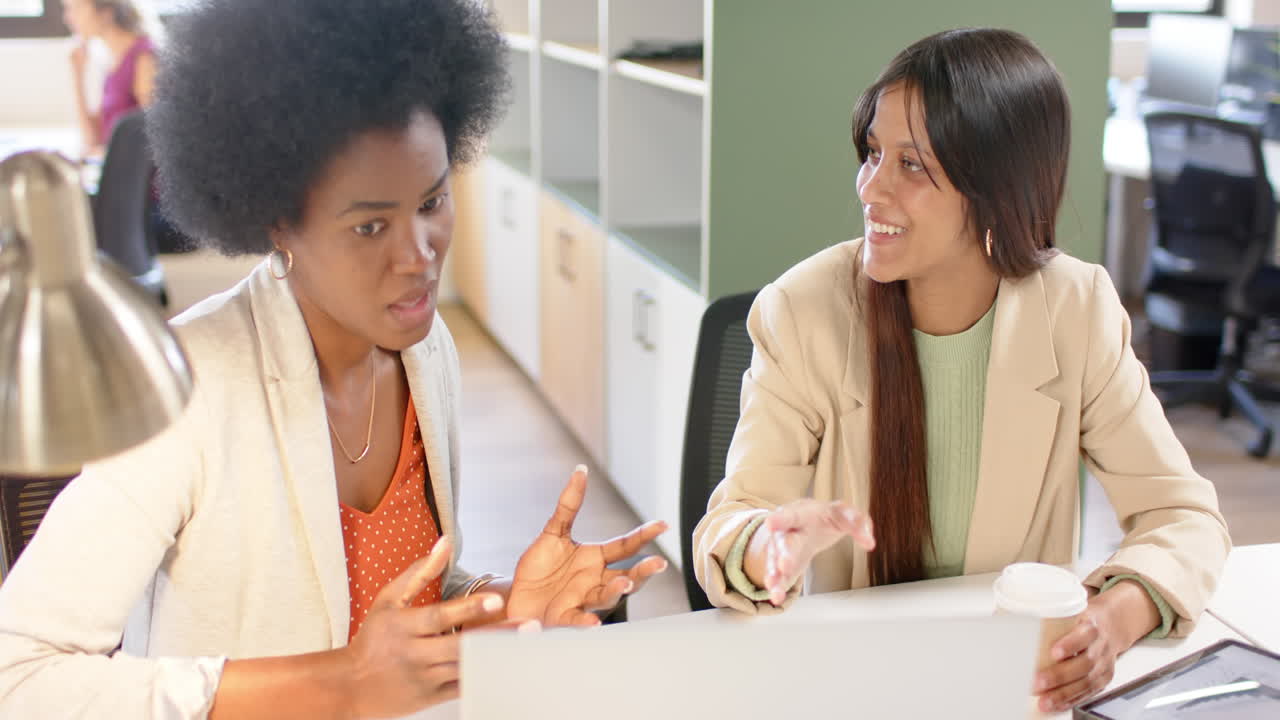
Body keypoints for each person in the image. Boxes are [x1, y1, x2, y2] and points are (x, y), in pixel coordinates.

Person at [0, 0, 668, 717]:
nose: (420, 256)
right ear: (278, 220)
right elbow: (21, 672)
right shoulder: (189, 388)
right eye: (371, 224)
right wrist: (344, 680)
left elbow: (391, 603)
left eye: (434, 201)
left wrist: (495, 603)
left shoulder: (424, 350)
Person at [692, 28, 1229, 714]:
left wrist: (1113, 621)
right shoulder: (803, 310)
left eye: (912, 165)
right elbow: (732, 521)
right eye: (873, 153)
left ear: (998, 188)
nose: (871, 187)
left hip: (1008, 689)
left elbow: (1184, 517)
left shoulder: (1077, 310)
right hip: (854, 684)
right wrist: (766, 546)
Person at [64, 0, 157, 157]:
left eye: (76, 9)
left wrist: (108, 154)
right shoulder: (112, 61)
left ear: (106, 13)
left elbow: (154, 137)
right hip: (118, 166)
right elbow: (92, 139)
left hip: (134, 174)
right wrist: (77, 76)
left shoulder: (144, 57)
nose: (68, 17)